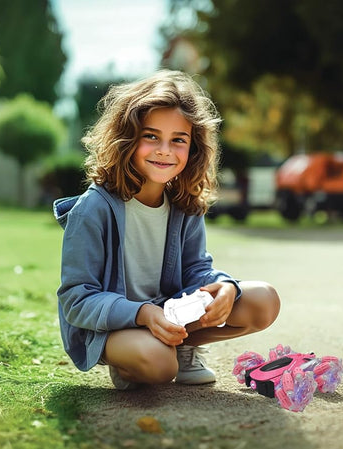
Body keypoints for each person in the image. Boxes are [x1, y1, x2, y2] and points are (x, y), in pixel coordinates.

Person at [53, 70, 281, 390]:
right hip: (113, 327)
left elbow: (196, 270)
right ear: (127, 138)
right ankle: (130, 360)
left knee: (263, 300)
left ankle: (182, 346)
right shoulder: (93, 209)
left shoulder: (184, 203)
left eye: (178, 140)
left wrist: (225, 287)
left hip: (171, 313)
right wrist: (143, 314)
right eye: (151, 136)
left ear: (193, 148)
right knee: (160, 366)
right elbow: (77, 300)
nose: (165, 150)